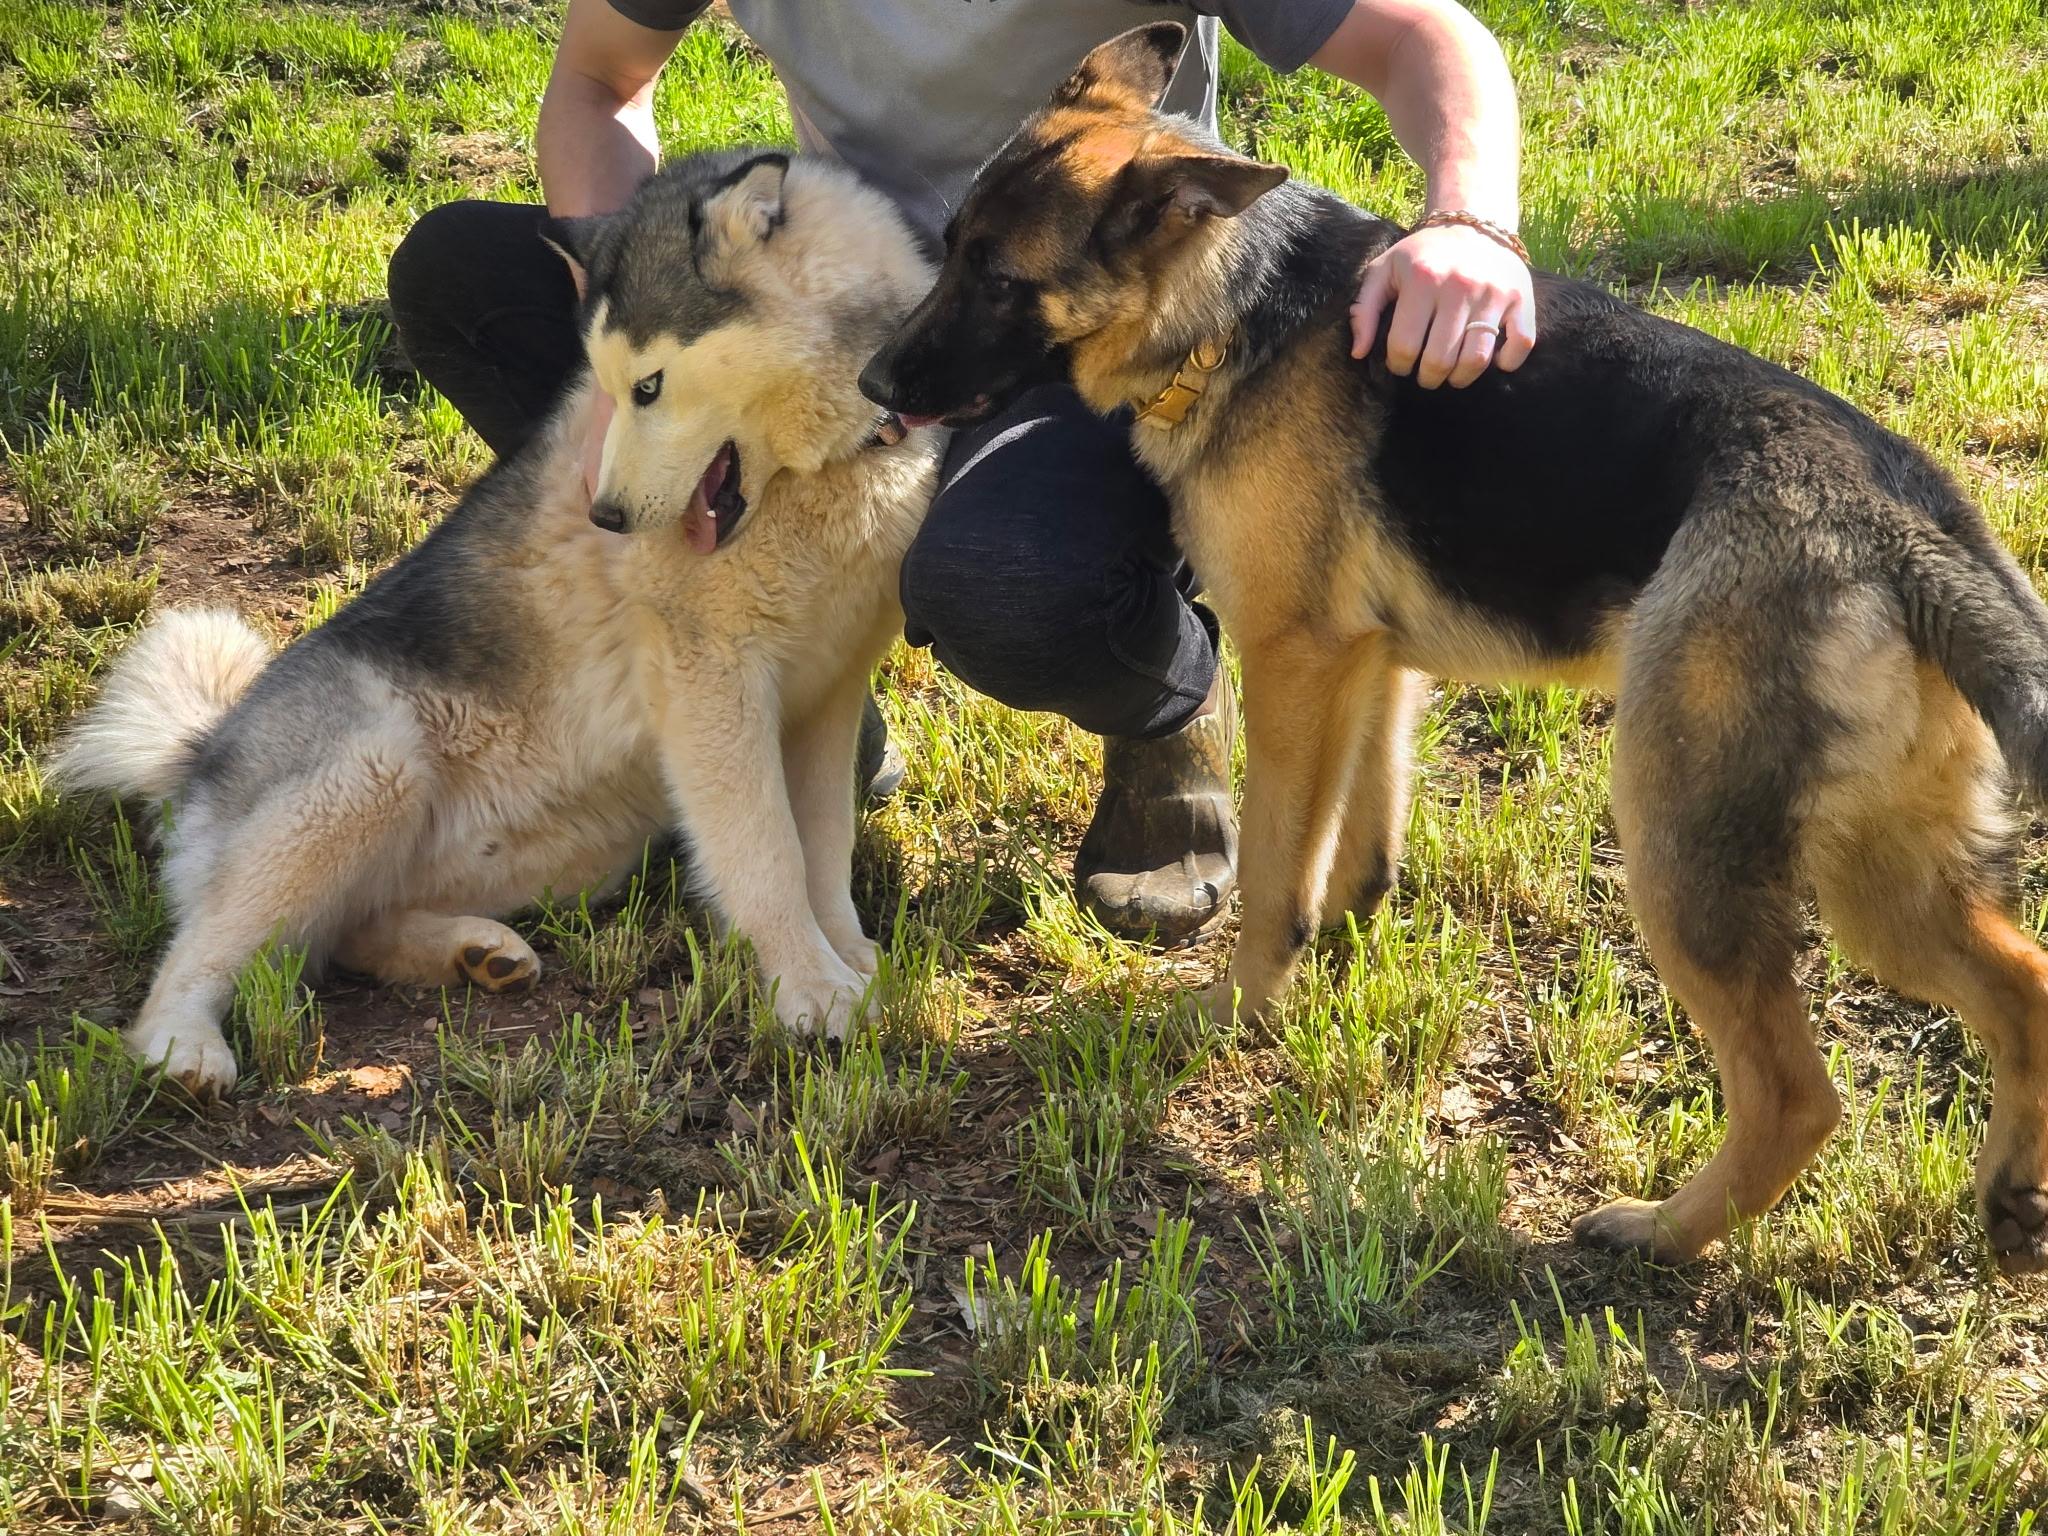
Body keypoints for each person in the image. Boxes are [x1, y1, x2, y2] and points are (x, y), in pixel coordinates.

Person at [386, 0, 1535, 944]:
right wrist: (627, 353)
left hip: (1081, 323)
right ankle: (812, 690)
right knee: (465, 275)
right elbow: (597, 81)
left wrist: (1471, 221)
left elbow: (1421, 40)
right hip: (857, 300)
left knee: (1009, 590)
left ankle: (1161, 697)